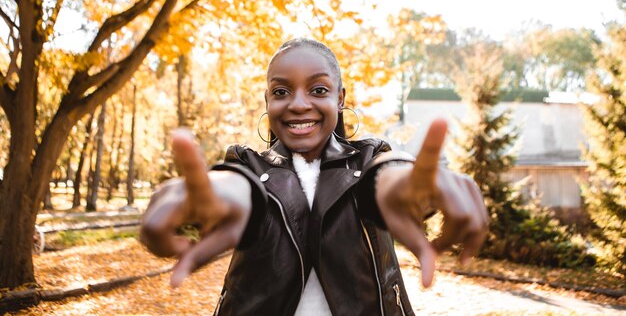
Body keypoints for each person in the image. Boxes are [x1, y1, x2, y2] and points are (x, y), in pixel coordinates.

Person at [140, 38, 489, 316]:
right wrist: (221, 195)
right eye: (281, 92)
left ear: (340, 98)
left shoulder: (370, 160)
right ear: (267, 101)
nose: (298, 104)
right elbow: (239, 186)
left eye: (318, 90)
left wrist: (408, 188)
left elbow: (385, 180)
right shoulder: (248, 165)